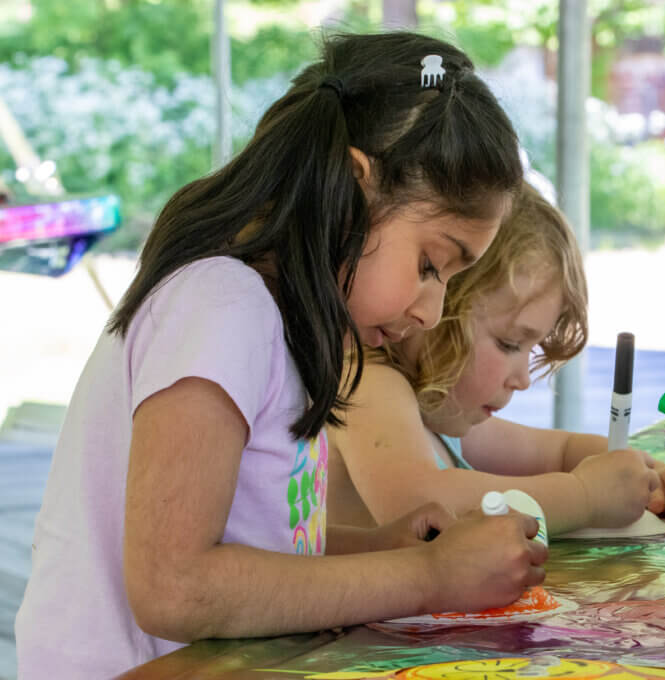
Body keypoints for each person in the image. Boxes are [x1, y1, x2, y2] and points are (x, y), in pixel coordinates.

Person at [15, 32, 547, 678]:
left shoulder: (278, 317)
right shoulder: (221, 306)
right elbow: (175, 588)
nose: (430, 314)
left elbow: (249, 540)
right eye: (432, 264)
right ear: (353, 190)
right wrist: (428, 576)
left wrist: (370, 549)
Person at [328, 183, 665, 536]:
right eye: (508, 343)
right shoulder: (367, 383)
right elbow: (417, 500)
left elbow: (560, 451)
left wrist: (653, 477)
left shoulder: (437, 415)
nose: (522, 379)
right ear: (432, 308)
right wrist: (584, 496)